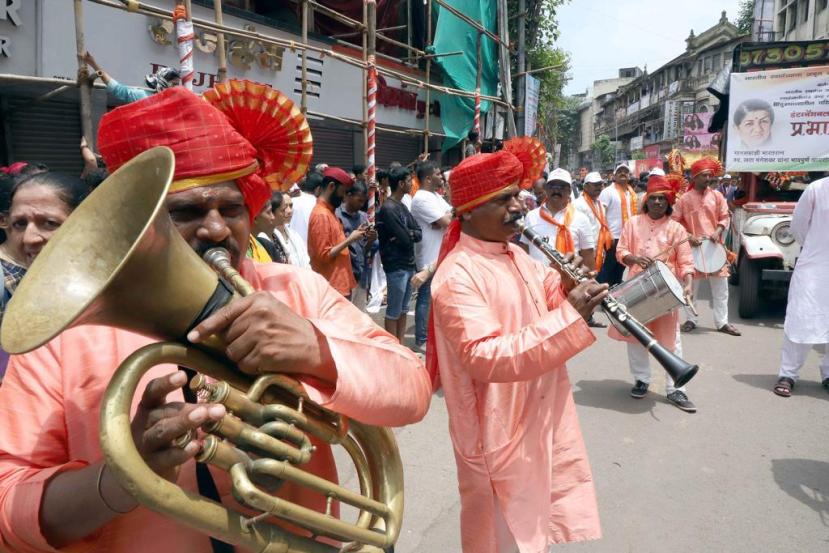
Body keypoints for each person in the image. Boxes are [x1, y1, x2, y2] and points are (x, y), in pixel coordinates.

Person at [0, 85, 431, 552]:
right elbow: (8, 501)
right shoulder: (67, 336)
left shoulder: (295, 290)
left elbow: (413, 387)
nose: (216, 228)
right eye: (186, 211)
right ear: (137, 227)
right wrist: (123, 477)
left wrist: (314, 349)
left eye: (232, 208)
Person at [428, 149, 606, 553]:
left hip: (535, 416)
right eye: (502, 199)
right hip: (495, 434)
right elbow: (484, 356)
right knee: (501, 537)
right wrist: (568, 318)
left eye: (517, 196)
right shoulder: (456, 276)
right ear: (468, 211)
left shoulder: (519, 257)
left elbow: (547, 297)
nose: (517, 207)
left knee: (533, 529)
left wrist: (566, 286)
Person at [613, 174, 697, 412]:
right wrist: (633, 257)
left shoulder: (676, 229)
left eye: (662, 199)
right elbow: (621, 251)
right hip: (636, 285)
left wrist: (688, 284)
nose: (658, 203)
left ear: (668, 202)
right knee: (637, 336)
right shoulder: (632, 223)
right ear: (646, 200)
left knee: (671, 339)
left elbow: (686, 261)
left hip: (666, 289)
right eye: (653, 198)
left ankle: (676, 389)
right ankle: (641, 379)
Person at [773, 177, 829, 397]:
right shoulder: (817, 189)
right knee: (801, 318)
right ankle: (787, 374)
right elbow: (798, 227)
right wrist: (816, 248)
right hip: (814, 267)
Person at [673, 158, 741, 336]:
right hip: (692, 250)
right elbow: (675, 223)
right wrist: (688, 236)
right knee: (690, 288)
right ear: (694, 177)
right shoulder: (684, 199)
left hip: (715, 250)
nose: (708, 178)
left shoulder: (717, 196)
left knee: (721, 289)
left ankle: (722, 322)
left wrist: (718, 231)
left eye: (710, 175)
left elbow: (725, 217)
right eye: (704, 175)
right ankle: (690, 319)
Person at [308, 167, 370, 298]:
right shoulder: (321, 215)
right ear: (331, 187)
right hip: (331, 287)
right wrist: (350, 240)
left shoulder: (329, 212)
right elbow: (323, 255)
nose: (343, 198)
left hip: (339, 285)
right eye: (343, 192)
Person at [376, 167, 422, 344]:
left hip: (408, 264)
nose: (412, 184)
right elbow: (404, 238)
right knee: (394, 311)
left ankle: (401, 345)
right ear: (401, 183)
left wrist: (407, 234)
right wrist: (407, 234)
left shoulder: (402, 206)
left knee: (403, 309)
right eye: (409, 181)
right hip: (396, 265)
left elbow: (418, 233)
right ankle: (393, 347)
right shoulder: (388, 208)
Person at [409, 161, 451, 351]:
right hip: (428, 257)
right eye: (437, 174)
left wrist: (445, 219)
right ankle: (421, 340)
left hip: (440, 254)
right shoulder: (421, 198)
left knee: (437, 298)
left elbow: (452, 215)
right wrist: (443, 220)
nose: (441, 177)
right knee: (425, 298)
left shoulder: (435, 196)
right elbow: (446, 220)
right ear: (427, 178)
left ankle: (431, 336)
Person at [521, 168, 596, 270]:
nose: (556, 190)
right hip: (538, 280)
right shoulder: (531, 216)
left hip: (569, 282)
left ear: (569, 191)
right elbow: (524, 251)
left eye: (562, 187)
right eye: (552, 186)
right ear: (546, 189)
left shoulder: (581, 219)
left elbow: (588, 257)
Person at [575, 171, 613, 327]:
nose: (599, 187)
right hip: (584, 250)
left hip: (598, 249)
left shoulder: (600, 204)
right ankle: (580, 316)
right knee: (582, 282)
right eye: (595, 185)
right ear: (586, 186)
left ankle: (588, 316)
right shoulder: (578, 204)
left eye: (601, 184)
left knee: (591, 281)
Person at [335, 180, 378, 308]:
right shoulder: (336, 215)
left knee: (359, 316)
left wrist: (371, 239)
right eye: (359, 200)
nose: (361, 204)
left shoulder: (364, 217)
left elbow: (366, 250)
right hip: (344, 275)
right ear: (348, 196)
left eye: (363, 201)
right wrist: (351, 238)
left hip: (361, 274)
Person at [83, 51, 180, 104]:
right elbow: (117, 89)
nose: (178, 88)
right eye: (174, 84)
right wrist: (93, 64)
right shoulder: (143, 96)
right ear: (164, 82)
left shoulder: (175, 105)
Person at [597, 163, 638, 285]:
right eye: (620, 171)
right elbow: (601, 215)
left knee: (621, 266)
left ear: (629, 176)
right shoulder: (608, 191)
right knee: (608, 267)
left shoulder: (631, 193)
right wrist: (607, 234)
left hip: (627, 237)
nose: (623, 173)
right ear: (614, 176)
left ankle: (614, 291)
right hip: (613, 237)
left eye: (625, 171)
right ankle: (600, 292)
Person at [270, 191, 310, 268]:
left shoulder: (295, 235)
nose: (289, 211)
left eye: (291, 206)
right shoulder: (269, 237)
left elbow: (306, 262)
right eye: (285, 207)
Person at [289, 170, 322, 244]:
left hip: (291, 247)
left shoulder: (292, 201)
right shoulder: (319, 206)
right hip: (309, 250)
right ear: (318, 189)